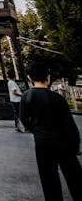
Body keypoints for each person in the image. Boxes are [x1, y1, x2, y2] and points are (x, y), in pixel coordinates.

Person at [20, 62, 82, 200]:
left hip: (42, 143)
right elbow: (70, 124)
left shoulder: (27, 96)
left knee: (48, 178)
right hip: (64, 142)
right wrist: (76, 145)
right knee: (74, 177)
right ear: (48, 77)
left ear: (30, 78)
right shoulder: (58, 98)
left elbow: (24, 119)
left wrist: (35, 130)